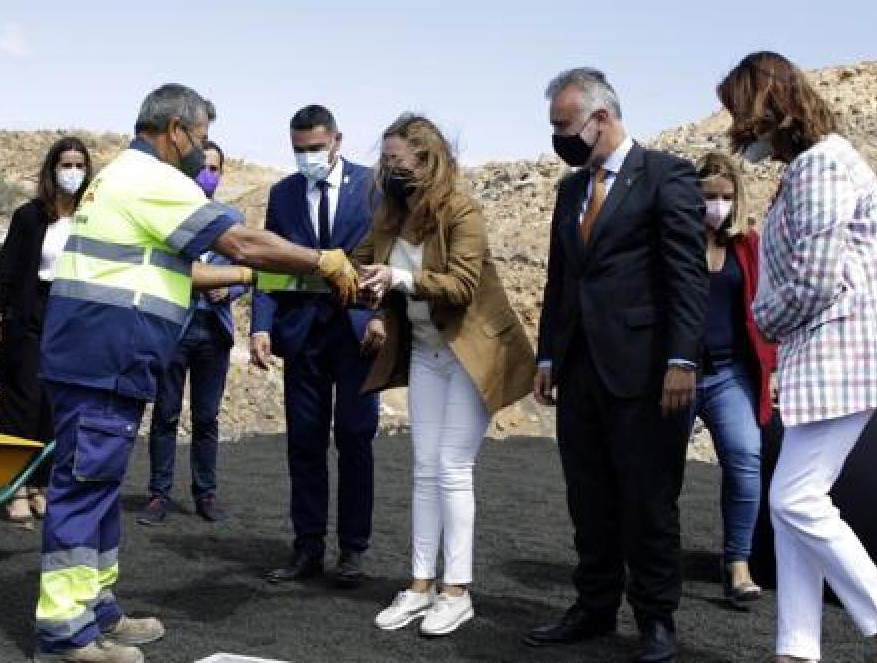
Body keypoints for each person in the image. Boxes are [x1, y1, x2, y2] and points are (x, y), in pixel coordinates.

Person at [31, 83, 359, 663]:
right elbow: (239, 242)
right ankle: (64, 635)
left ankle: (97, 612)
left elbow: (187, 272)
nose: (200, 151)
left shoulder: (122, 177)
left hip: (105, 359)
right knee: (83, 492)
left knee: (101, 491)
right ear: (176, 130)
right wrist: (319, 260)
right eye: (200, 138)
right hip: (102, 359)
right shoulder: (153, 180)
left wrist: (257, 279)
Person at [718, 51, 877, 663]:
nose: (740, 130)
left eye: (743, 114)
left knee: (794, 499)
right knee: (793, 501)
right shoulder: (817, 164)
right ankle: (797, 648)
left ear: (770, 108)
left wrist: (760, 319)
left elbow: (814, 281)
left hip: (845, 359)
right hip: (830, 360)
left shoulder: (822, 167)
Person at [525, 68, 708, 663]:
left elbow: (686, 274)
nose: (558, 137)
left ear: (600, 118)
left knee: (649, 499)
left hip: (648, 372)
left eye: (564, 125)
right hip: (579, 373)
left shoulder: (666, 175)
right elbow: (562, 280)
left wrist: (682, 358)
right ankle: (594, 606)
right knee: (590, 497)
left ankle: (656, 617)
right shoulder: (570, 190)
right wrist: (549, 353)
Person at [354, 114, 538, 637]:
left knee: (453, 467)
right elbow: (361, 261)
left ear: (424, 159)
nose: (387, 168)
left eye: (395, 160)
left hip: (471, 351)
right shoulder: (391, 213)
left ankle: (457, 592)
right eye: (385, 160)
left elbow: (460, 284)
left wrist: (398, 278)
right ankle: (419, 585)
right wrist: (365, 289)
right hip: (428, 351)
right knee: (423, 468)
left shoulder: (462, 210)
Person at [251, 104, 381, 588]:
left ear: (337, 141)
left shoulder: (372, 186)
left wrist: (382, 317)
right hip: (302, 335)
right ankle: (307, 548)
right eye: (299, 150)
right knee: (304, 443)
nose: (307, 157)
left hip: (358, 336)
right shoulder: (282, 194)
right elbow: (269, 264)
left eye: (315, 148)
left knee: (354, 438)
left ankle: (354, 551)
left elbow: (391, 257)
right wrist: (261, 325)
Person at [0, 136, 93, 523]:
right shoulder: (29, 216)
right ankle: (15, 487)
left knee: (53, 403)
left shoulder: (90, 218)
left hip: (71, 314)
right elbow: (7, 268)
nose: (73, 173)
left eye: (80, 165)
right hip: (30, 311)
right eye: (67, 164)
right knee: (22, 401)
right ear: (52, 169)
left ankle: (41, 484)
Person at [687, 151, 777, 608]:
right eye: (708, 196)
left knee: (745, 459)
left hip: (729, 374)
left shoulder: (748, 246)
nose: (717, 206)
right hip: (677, 374)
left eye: (725, 197)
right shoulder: (674, 242)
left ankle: (737, 563)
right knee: (659, 471)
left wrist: (773, 366)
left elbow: (765, 307)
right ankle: (651, 561)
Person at [139, 140, 243, 525]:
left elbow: (247, 272)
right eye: (203, 167)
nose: (208, 175)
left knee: (207, 417)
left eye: (215, 169)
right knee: (165, 414)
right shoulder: (170, 217)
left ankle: (206, 493)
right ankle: (158, 494)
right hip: (174, 329)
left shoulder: (232, 219)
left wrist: (228, 288)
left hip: (214, 331)